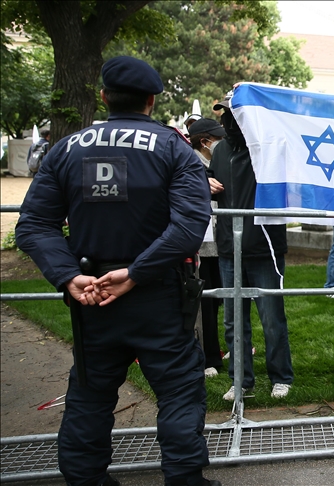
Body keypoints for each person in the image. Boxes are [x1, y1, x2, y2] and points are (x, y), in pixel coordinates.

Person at [15, 56, 219, 486]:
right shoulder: (172, 147)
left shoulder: (66, 149)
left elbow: (34, 225)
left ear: (104, 96)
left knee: (90, 395)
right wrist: (136, 273)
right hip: (157, 293)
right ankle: (185, 480)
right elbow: (188, 226)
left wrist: (69, 276)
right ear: (150, 100)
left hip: (92, 294)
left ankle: (85, 478)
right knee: (180, 392)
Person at [209, 91, 295, 400]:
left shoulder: (270, 149)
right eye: (224, 113)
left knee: (272, 318)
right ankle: (241, 381)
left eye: (233, 113)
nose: (227, 119)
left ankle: (281, 376)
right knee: (233, 321)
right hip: (228, 249)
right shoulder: (218, 151)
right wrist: (203, 180)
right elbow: (200, 178)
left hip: (265, 246)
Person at [188, 118, 227, 377]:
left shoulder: (215, 163)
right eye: (217, 138)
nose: (221, 142)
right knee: (203, 304)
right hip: (199, 246)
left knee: (216, 301)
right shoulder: (190, 164)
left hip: (217, 243)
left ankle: (213, 353)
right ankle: (205, 358)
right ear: (205, 141)